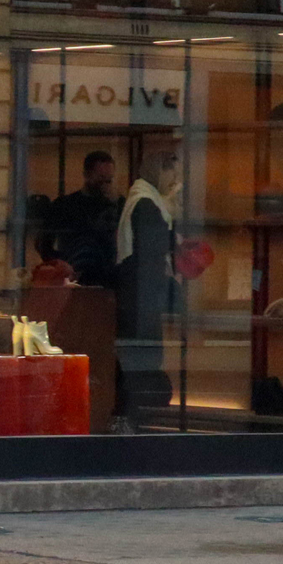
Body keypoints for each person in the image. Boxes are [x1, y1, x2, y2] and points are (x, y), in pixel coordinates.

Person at [113, 148, 181, 417]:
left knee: (135, 359)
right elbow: (153, 251)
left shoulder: (138, 200)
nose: (172, 181)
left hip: (135, 293)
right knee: (144, 359)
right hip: (142, 297)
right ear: (160, 170)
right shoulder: (147, 204)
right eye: (171, 174)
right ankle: (137, 415)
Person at [44, 151, 121, 288]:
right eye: (100, 178)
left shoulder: (118, 205)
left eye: (109, 180)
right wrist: (59, 264)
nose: (105, 184)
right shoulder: (65, 206)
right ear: (87, 175)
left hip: (108, 278)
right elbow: (43, 242)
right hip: (73, 276)